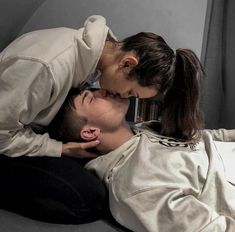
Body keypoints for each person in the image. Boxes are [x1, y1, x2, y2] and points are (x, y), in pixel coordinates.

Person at [0, 15, 203, 159]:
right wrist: (59, 149)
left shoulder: (90, 63)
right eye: (131, 92)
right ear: (126, 64)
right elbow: (2, 136)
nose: (125, 98)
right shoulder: (46, 67)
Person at [54, 88, 235, 232]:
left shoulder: (144, 130)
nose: (101, 90)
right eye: (91, 98)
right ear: (90, 132)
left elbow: (206, 138)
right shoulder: (135, 184)